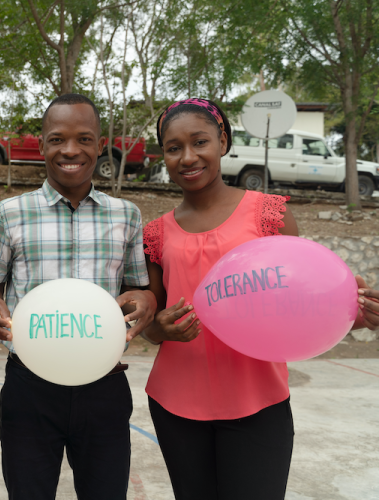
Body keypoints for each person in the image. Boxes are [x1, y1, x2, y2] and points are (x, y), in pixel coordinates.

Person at [142, 98, 379, 500]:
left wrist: (361, 313)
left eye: (200, 141)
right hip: (176, 406)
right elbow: (150, 326)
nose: (187, 157)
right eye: (173, 147)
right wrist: (158, 328)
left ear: (224, 141)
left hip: (258, 405)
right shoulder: (156, 233)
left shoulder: (268, 215)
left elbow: (301, 303)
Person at [0, 93, 157, 499]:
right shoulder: (9, 213)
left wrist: (145, 302)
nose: (71, 150)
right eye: (57, 139)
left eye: (84, 139)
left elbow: (139, 289)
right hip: (29, 386)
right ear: (41, 145)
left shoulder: (125, 215)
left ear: (99, 144)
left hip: (104, 385)